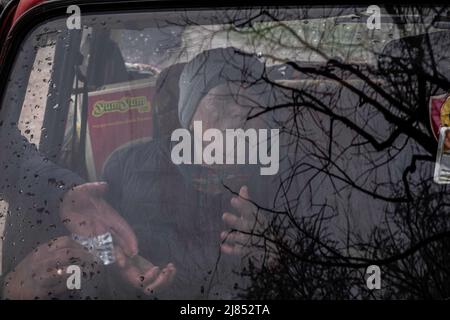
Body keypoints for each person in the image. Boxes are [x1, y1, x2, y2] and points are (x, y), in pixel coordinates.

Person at [100, 47, 278, 299]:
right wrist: (121, 272)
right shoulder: (128, 168)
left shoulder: (293, 177)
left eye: (254, 100)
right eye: (224, 99)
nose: (241, 111)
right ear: (188, 113)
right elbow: (91, 251)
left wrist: (274, 255)